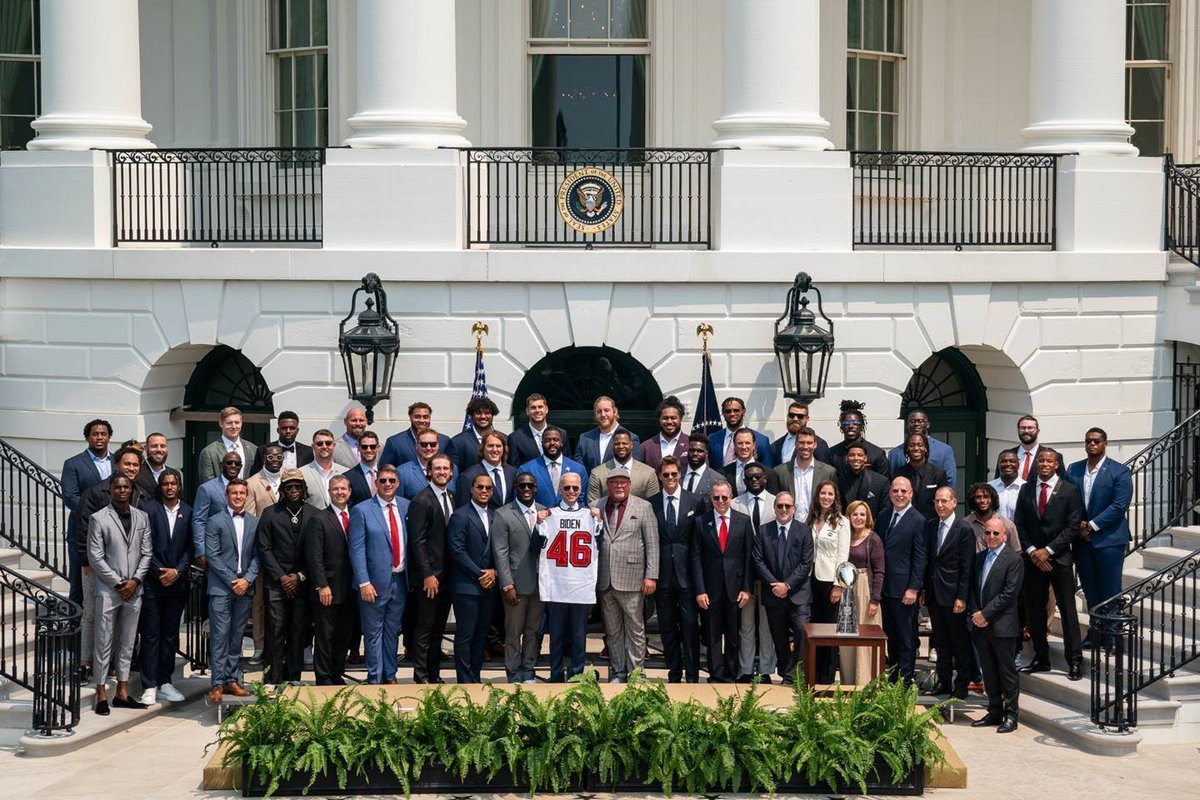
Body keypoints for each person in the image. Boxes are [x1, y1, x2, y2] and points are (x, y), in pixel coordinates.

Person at [77, 446, 150, 685]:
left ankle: (115, 669)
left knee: (123, 626)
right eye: (127, 464)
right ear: (116, 465)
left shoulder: (142, 493)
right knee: (92, 617)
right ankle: (86, 663)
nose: (131, 469)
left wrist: (134, 580)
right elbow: (85, 530)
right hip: (98, 569)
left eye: (135, 465)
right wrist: (88, 562)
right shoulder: (96, 492)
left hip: (131, 576)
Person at [1014, 449, 1084, 680]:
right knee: (1034, 611)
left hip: (1060, 560)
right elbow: (1019, 524)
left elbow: (1073, 526)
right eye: (1041, 460)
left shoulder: (1070, 491)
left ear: (1056, 465)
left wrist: (1049, 551)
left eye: (1049, 461)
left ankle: (1074, 661)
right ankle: (1040, 658)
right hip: (1033, 561)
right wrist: (1034, 551)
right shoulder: (1026, 489)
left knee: (1067, 610)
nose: (1044, 464)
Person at [88, 474, 153, 714]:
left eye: (126, 487)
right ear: (111, 490)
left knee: (127, 642)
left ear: (132, 489)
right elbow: (95, 556)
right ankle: (101, 693)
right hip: (108, 590)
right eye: (118, 487)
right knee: (103, 642)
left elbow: (147, 552)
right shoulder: (99, 518)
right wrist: (118, 583)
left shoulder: (142, 517)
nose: (122, 490)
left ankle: (122, 692)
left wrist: (135, 581)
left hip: (135, 590)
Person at [593, 467, 659, 683]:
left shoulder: (643, 507)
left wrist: (651, 576)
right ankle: (618, 672)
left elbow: (652, 544)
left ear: (629, 485)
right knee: (612, 631)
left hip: (632, 578)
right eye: (614, 482)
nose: (619, 486)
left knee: (636, 630)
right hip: (605, 579)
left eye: (623, 482)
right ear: (607, 485)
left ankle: (636, 674)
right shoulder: (597, 507)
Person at [349, 464, 410, 685]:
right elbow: (356, 549)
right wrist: (363, 581)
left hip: (400, 580)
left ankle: (390, 675)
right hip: (373, 583)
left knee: (393, 632)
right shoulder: (362, 510)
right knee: (373, 633)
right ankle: (375, 677)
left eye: (391, 481)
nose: (387, 484)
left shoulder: (406, 507)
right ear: (376, 483)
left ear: (397, 483)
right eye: (382, 480)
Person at [256, 468, 317, 686]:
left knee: (298, 632)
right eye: (289, 487)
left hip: (302, 583)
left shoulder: (314, 514)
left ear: (303, 490)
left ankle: (293, 677)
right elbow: (264, 548)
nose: (293, 490)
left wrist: (299, 576)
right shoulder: (270, 514)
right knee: (275, 631)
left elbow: (318, 553)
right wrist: (282, 577)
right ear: (282, 490)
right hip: (276, 583)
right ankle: (272, 678)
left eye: (297, 487)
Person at [536, 472, 599, 682]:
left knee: (579, 636)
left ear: (581, 490)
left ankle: (577, 675)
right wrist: (539, 520)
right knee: (556, 636)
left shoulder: (590, 516)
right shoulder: (549, 515)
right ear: (560, 490)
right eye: (567, 488)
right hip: (556, 584)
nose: (571, 492)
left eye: (575, 488)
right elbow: (538, 539)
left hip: (581, 585)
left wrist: (596, 517)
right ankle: (555, 675)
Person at [137, 471, 192, 705]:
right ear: (160, 487)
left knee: (170, 635)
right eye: (166, 484)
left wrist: (177, 571)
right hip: (152, 582)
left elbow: (191, 547)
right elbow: (142, 545)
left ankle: (165, 682)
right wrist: (160, 572)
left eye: (174, 483)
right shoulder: (148, 509)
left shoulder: (188, 512)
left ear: (179, 486)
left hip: (177, 584)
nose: (170, 487)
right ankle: (149, 685)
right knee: (150, 634)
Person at [1065, 428, 1132, 620]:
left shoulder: (1119, 471)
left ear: (1105, 443)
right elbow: (1069, 501)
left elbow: (1119, 506)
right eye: (1088, 441)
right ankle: (1095, 633)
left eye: (1096, 441)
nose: (1092, 444)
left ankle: (1112, 635)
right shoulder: (1073, 469)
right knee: (1090, 589)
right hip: (1081, 541)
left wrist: (1091, 525)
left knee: (1110, 590)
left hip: (1109, 540)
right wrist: (1079, 526)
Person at [690, 480, 753, 682]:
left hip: (735, 589)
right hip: (710, 589)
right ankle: (715, 675)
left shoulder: (743, 520)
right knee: (712, 635)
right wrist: (700, 590)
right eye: (716, 497)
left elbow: (748, 557)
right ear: (711, 498)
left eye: (724, 497)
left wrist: (746, 588)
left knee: (733, 636)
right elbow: (696, 557)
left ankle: (731, 674)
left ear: (731, 497)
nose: (720, 501)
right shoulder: (701, 522)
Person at [648, 456, 702, 683]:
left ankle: (692, 674)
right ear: (660, 477)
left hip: (688, 574)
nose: (670, 478)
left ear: (680, 474)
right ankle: (674, 672)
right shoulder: (651, 503)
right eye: (665, 475)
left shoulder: (695, 501)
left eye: (674, 474)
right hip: (663, 575)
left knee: (690, 627)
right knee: (667, 627)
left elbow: (699, 541)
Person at [205, 479, 259, 704]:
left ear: (246, 496)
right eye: (234, 493)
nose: (238, 496)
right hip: (221, 588)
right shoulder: (215, 521)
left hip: (244, 588)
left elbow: (259, 554)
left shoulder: (255, 523)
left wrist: (247, 579)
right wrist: (232, 580)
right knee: (220, 636)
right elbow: (212, 555)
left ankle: (232, 679)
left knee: (237, 636)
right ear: (227, 496)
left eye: (242, 493)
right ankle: (217, 683)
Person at [491, 471, 549, 683]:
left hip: (541, 585)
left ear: (535, 488)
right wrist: (507, 584)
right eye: (522, 486)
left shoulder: (546, 512)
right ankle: (513, 672)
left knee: (534, 632)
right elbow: (500, 552)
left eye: (530, 486)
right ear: (515, 488)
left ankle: (528, 670)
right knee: (513, 633)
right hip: (516, 583)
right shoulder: (503, 514)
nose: (526, 490)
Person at [969, 516, 1025, 734]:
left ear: (1005, 535)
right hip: (981, 624)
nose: (991, 537)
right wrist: (975, 612)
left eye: (995, 533)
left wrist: (986, 613)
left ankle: (1011, 715)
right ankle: (994, 711)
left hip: (1002, 625)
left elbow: (1010, 593)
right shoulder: (980, 557)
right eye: (988, 533)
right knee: (989, 671)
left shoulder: (1013, 560)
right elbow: (973, 587)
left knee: (1006, 672)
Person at [753, 490, 814, 686]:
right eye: (780, 506)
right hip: (773, 594)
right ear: (775, 508)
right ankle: (787, 672)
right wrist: (776, 585)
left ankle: (793, 674)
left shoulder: (804, 531)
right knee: (778, 637)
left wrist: (787, 585)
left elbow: (806, 563)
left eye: (788, 506)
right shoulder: (764, 531)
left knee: (801, 633)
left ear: (794, 509)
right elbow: (758, 561)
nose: (784, 509)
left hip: (799, 594)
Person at [404, 453, 455, 684]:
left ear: (451, 472)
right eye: (438, 469)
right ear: (429, 472)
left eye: (445, 469)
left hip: (447, 577)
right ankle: (421, 674)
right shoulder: (421, 501)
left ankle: (434, 673)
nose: (442, 472)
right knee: (424, 628)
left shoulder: (452, 497)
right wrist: (427, 574)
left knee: (438, 629)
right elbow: (417, 541)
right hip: (429, 578)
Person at [874, 476, 928, 686]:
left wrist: (914, 588)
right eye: (895, 491)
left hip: (905, 590)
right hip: (885, 589)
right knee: (891, 637)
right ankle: (894, 676)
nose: (899, 495)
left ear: (911, 493)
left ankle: (905, 682)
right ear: (890, 493)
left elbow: (920, 557)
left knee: (907, 638)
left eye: (903, 491)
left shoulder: (918, 520)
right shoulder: (884, 516)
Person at [303, 474, 356, 686]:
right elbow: (314, 557)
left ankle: (336, 673)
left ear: (350, 492)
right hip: (328, 588)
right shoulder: (319, 519)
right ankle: (323, 677)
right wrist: (322, 585)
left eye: (343, 489)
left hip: (351, 587)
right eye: (335, 489)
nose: (340, 492)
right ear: (329, 492)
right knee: (325, 635)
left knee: (344, 634)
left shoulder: (356, 515)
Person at [923, 487, 975, 699]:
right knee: (940, 641)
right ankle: (944, 681)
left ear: (954, 503)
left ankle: (962, 683)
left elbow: (967, 567)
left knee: (959, 643)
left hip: (954, 596)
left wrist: (962, 597)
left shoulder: (964, 529)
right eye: (937, 501)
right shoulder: (931, 525)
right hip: (935, 594)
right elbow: (929, 561)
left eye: (944, 501)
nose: (940, 505)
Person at [448, 473, 499, 684]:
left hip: (489, 586)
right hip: (467, 586)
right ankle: (464, 679)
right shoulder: (460, 516)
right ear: (472, 489)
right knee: (466, 635)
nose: (484, 491)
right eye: (480, 487)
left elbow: (500, 549)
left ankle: (475, 675)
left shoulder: (496, 515)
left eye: (488, 488)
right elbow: (457, 550)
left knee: (481, 634)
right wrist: (481, 574)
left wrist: (494, 572)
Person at [732, 462, 777, 682]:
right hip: (743, 576)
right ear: (743, 480)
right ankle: (746, 669)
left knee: (767, 626)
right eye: (749, 478)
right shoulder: (734, 504)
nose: (754, 480)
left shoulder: (776, 503)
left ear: (765, 478)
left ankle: (767, 670)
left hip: (769, 574)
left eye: (758, 476)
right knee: (746, 626)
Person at [62, 418, 114, 604]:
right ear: (87, 437)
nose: (99, 438)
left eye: (103, 434)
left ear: (109, 437)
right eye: (95, 434)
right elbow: (70, 497)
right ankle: (74, 631)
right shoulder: (73, 464)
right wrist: (100, 515)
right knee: (79, 585)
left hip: (114, 533)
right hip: (82, 531)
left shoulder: (118, 462)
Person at [806, 480, 851, 684]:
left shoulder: (842, 522)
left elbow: (843, 555)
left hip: (829, 581)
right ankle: (813, 675)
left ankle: (827, 677)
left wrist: (838, 584)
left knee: (829, 630)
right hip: (809, 580)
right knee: (813, 630)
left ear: (835, 498)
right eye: (823, 493)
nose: (826, 497)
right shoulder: (810, 519)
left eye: (830, 494)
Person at [839, 501, 884, 685]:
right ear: (848, 516)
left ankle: (865, 681)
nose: (858, 518)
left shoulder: (873, 539)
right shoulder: (844, 536)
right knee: (847, 636)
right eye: (855, 514)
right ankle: (848, 681)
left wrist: (874, 599)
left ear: (868, 518)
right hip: (845, 589)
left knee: (865, 636)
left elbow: (880, 570)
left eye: (862, 514)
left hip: (865, 588)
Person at [773, 427, 835, 521]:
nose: (805, 447)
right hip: (789, 526)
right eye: (802, 442)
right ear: (796, 444)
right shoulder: (780, 472)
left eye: (809, 443)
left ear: (815, 445)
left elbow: (835, 504)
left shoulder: (828, 472)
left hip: (817, 525)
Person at [193, 450, 244, 565]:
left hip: (240, 552)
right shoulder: (207, 489)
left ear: (241, 467)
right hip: (215, 551)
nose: (233, 466)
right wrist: (201, 552)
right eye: (229, 462)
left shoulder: (245, 488)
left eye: (237, 463)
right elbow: (199, 521)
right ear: (221, 465)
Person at [518, 427, 587, 509]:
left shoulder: (578, 469)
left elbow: (582, 500)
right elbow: (521, 500)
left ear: (562, 443)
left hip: (569, 518)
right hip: (539, 519)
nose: (552, 443)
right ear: (541, 443)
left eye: (556, 440)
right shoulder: (527, 469)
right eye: (547, 440)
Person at [887, 410, 958, 488]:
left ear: (927, 424)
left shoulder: (944, 450)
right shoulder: (895, 453)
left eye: (920, 421)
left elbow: (949, 480)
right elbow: (891, 480)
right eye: (912, 421)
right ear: (907, 425)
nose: (916, 424)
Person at [587, 429, 660, 503]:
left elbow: (654, 504)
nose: (621, 446)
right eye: (617, 444)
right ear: (612, 446)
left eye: (624, 443)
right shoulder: (597, 473)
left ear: (631, 445)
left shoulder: (648, 473)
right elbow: (593, 504)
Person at [574, 395, 643, 472]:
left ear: (615, 411)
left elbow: (635, 470)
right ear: (595, 414)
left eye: (606, 410)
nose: (603, 414)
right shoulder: (585, 438)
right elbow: (579, 471)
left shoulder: (631, 438)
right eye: (599, 411)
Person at [825, 400, 890, 479]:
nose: (851, 426)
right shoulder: (832, 453)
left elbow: (883, 484)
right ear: (841, 427)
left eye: (855, 423)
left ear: (862, 427)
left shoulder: (877, 454)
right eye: (846, 423)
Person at [894, 432, 948, 521]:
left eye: (920, 445)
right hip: (906, 523)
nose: (916, 448)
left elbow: (943, 501)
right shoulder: (899, 474)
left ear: (925, 448)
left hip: (931, 524)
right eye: (912, 445)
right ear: (907, 449)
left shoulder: (938, 474)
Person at [381, 402, 451, 469]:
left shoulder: (444, 441)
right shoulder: (395, 442)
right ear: (410, 417)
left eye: (425, 417)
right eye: (417, 417)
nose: (422, 420)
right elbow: (384, 471)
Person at [507, 393, 571, 467]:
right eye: (533, 408)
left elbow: (567, 462)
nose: (537, 410)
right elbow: (514, 467)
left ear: (546, 409)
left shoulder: (561, 434)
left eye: (540, 407)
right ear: (527, 411)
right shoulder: (515, 438)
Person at [708, 396, 772, 470]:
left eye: (736, 410)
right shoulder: (712, 440)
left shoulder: (761, 441)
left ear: (743, 412)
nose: (732, 414)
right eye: (728, 411)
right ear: (723, 414)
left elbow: (767, 472)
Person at [457, 430, 516, 508]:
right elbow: (463, 508)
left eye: (498, 446)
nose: (495, 450)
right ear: (483, 448)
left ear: (504, 449)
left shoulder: (513, 473)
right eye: (490, 446)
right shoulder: (468, 476)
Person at [396, 427, 459, 500]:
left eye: (432, 444)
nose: (428, 448)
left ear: (438, 446)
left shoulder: (452, 469)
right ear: (417, 446)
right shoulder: (402, 472)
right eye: (424, 444)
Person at [997, 414, 1064, 481]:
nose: (1026, 431)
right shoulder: (1007, 456)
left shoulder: (1053, 456)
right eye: (1023, 428)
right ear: (1018, 430)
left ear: (1038, 431)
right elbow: (998, 481)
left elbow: (1062, 483)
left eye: (1030, 428)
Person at [197, 406, 256, 482]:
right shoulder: (209, 452)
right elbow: (207, 483)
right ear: (221, 424)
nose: (234, 426)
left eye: (237, 422)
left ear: (241, 423)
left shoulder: (252, 449)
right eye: (229, 423)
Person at [837, 441, 890, 522]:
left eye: (860, 455)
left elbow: (885, 511)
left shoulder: (881, 482)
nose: (856, 458)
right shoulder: (840, 482)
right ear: (847, 458)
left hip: (872, 530)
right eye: (852, 455)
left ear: (865, 458)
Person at [249, 411, 313, 473]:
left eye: (292, 428)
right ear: (278, 430)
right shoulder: (263, 449)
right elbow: (256, 474)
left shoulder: (308, 452)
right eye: (284, 428)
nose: (288, 431)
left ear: (297, 430)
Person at [770, 401, 830, 467]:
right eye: (791, 415)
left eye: (800, 416)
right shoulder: (775, 446)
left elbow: (824, 473)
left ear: (807, 419)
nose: (795, 419)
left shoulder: (819, 444)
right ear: (787, 416)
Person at [723, 429, 782, 495]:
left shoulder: (769, 473)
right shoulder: (724, 473)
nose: (744, 447)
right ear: (734, 445)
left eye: (747, 443)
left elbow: (772, 500)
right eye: (740, 443)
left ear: (754, 445)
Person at [450, 396, 500, 472]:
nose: (483, 416)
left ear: (493, 415)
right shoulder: (457, 442)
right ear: (471, 415)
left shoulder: (504, 439)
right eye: (478, 413)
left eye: (487, 413)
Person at [300, 429, 347, 510]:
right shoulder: (302, 473)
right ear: (313, 447)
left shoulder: (345, 473)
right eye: (319, 443)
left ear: (334, 445)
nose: (324, 446)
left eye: (328, 443)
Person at [641, 395, 689, 470]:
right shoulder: (645, 448)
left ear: (681, 419)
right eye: (665, 418)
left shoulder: (691, 444)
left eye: (673, 418)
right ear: (659, 420)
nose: (669, 422)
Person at [136, 432, 182, 499]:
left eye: (162, 446)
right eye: (154, 446)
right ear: (146, 448)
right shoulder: (137, 473)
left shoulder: (175, 474)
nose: (159, 450)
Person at [345, 430, 383, 505]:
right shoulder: (348, 477)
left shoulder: (387, 473)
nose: (368, 450)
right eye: (364, 447)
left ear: (378, 447)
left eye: (372, 446)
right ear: (358, 448)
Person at [245, 444, 285, 516]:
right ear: (263, 459)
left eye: (279, 457)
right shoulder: (251, 483)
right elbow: (250, 516)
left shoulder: (289, 478)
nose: (275, 460)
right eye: (270, 457)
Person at [987, 451, 1026, 522]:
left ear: (1018, 464)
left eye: (1012, 461)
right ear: (998, 465)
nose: (1008, 464)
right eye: (1003, 461)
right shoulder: (989, 487)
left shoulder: (1027, 488)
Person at [681, 434, 720, 499]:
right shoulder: (677, 475)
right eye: (692, 450)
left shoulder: (717, 479)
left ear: (706, 454)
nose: (695, 454)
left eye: (699, 451)